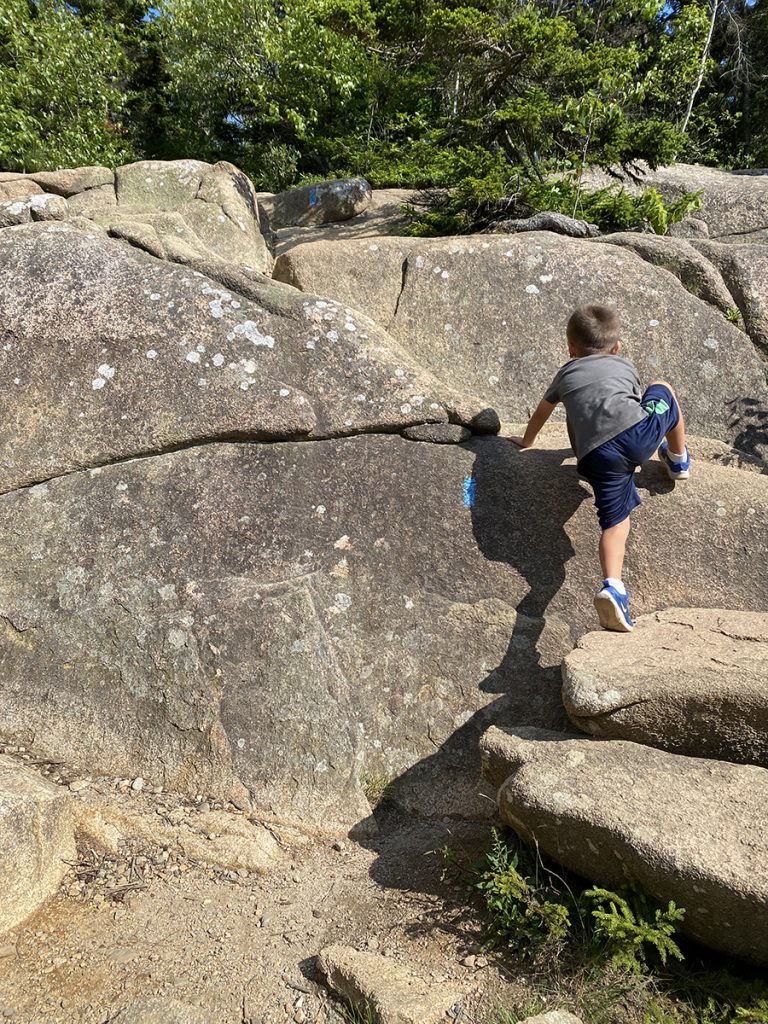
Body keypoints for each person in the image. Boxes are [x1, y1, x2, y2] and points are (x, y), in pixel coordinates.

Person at [510, 304, 690, 633]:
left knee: (615, 523)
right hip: (635, 437)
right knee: (664, 392)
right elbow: (629, 404)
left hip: (594, 458)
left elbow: (542, 411)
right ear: (617, 348)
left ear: (571, 348)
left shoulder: (566, 373)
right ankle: (677, 459)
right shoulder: (625, 365)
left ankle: (613, 587)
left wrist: (527, 440)